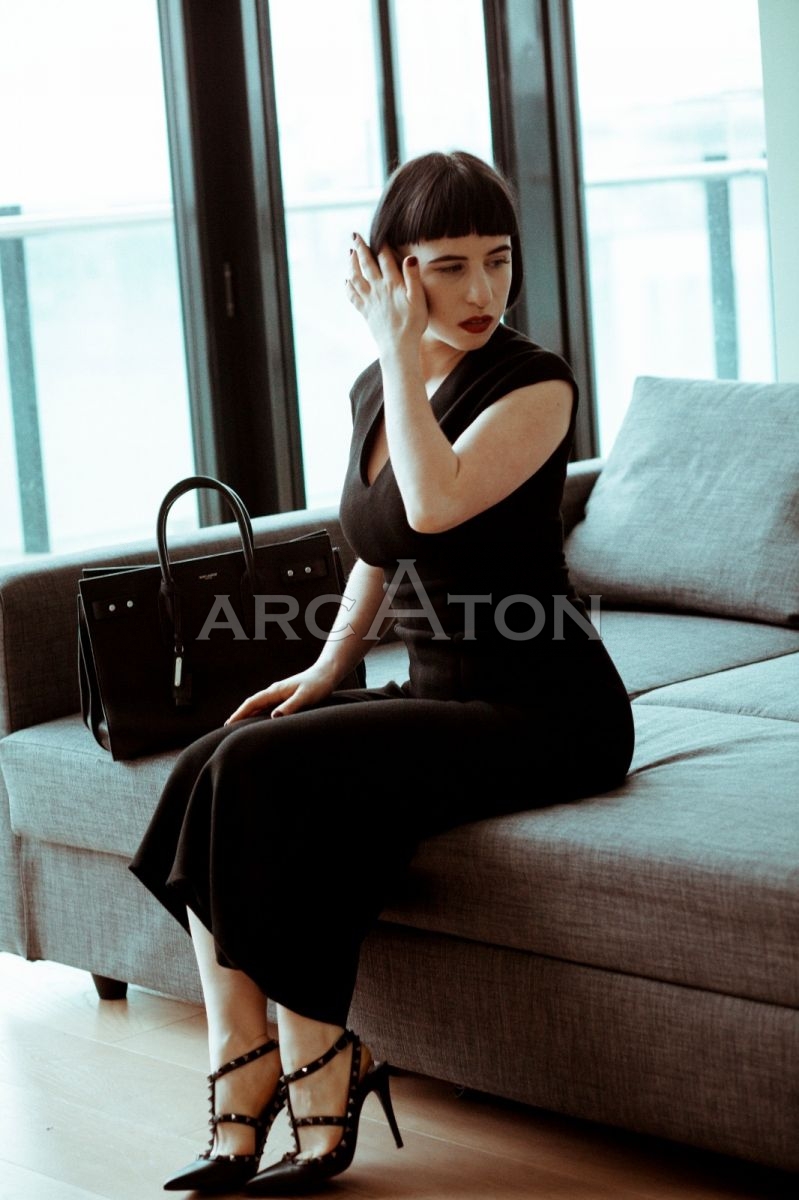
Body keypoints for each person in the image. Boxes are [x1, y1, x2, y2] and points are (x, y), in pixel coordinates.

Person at [129, 149, 635, 1196]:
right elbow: (376, 542)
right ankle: (241, 1066)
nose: (483, 290)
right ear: (393, 268)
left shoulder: (534, 383)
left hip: (546, 706)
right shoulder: (378, 386)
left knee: (265, 776)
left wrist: (399, 353)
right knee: (215, 758)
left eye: (498, 259)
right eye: (448, 265)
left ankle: (322, 1067)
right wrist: (325, 668)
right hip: (442, 690)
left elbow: (434, 502)